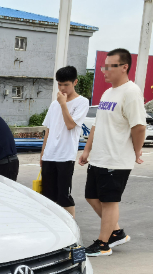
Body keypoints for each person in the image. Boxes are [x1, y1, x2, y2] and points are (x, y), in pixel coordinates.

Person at [78, 48, 147, 257]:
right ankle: (116, 232)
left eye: (110, 67)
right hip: (99, 156)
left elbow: (139, 127)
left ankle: (103, 244)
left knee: (109, 202)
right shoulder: (108, 93)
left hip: (116, 159)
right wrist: (87, 150)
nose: (104, 71)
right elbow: (97, 125)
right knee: (91, 196)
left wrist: (136, 151)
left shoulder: (131, 92)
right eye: (103, 66)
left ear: (124, 67)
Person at [40, 65, 90, 217]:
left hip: (65, 156)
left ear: (75, 82)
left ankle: (71, 227)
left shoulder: (82, 102)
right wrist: (43, 153)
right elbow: (48, 129)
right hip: (49, 155)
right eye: (59, 84)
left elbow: (70, 125)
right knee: (47, 195)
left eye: (66, 85)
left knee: (64, 195)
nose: (62, 88)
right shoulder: (54, 104)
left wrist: (63, 104)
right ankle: (52, 225)